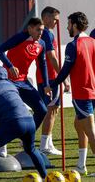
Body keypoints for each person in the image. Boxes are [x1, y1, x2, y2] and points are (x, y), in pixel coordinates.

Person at [45, 12, 95, 176]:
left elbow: (64, 71)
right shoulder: (93, 42)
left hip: (83, 93)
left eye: (68, 24)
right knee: (78, 125)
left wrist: (52, 85)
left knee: (90, 132)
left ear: (74, 25)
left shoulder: (74, 45)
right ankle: (81, 165)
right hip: (92, 90)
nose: (66, 27)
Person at [0, 17, 49, 157]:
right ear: (30, 28)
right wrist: (10, 66)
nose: (40, 33)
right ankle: (1, 144)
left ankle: (25, 138)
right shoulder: (20, 37)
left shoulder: (41, 44)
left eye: (42, 30)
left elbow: (42, 65)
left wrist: (46, 85)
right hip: (8, 81)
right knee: (9, 114)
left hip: (23, 82)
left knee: (42, 110)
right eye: (38, 30)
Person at [37, 6, 70, 155]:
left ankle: (47, 142)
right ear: (47, 18)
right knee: (50, 110)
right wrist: (63, 78)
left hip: (45, 77)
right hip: (51, 78)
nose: (57, 23)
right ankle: (44, 145)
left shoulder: (42, 33)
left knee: (50, 110)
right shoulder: (47, 34)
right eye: (55, 19)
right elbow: (52, 57)